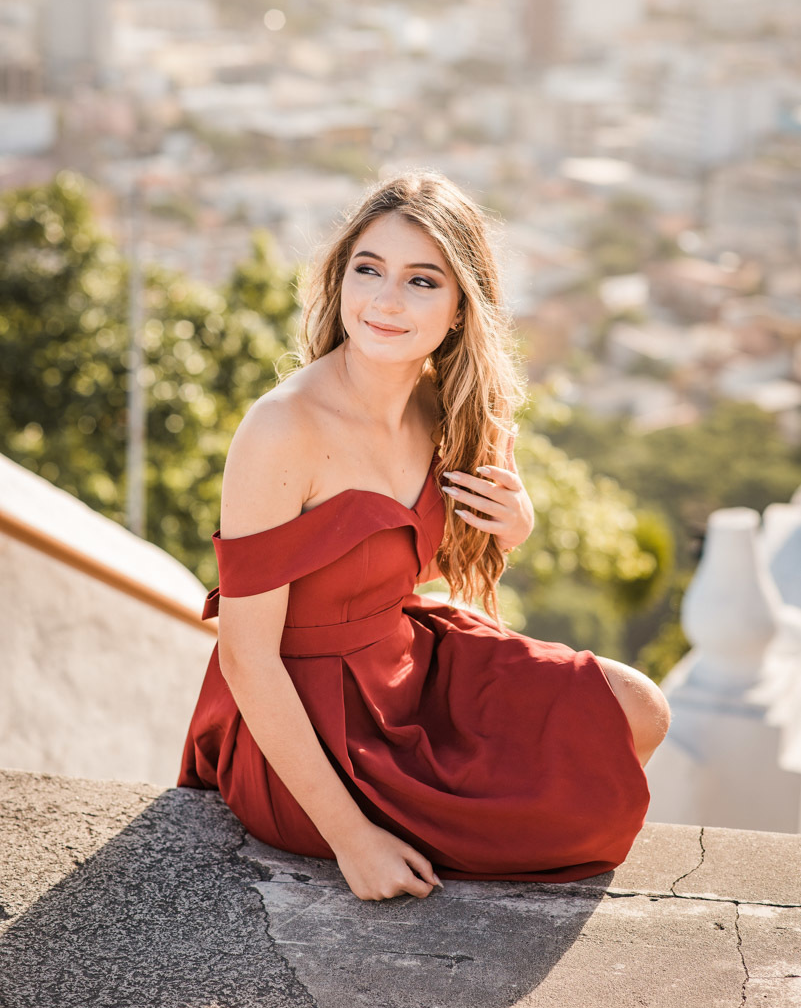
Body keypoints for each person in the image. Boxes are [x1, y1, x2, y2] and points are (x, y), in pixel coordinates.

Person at [178, 171, 670, 902]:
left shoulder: (450, 407)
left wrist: (516, 523)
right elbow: (247, 657)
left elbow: (424, 564)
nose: (383, 300)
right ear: (339, 277)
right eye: (367, 269)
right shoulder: (282, 426)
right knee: (569, 808)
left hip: (407, 662)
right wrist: (354, 842)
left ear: (460, 306)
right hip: (310, 724)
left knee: (636, 710)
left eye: (420, 281)